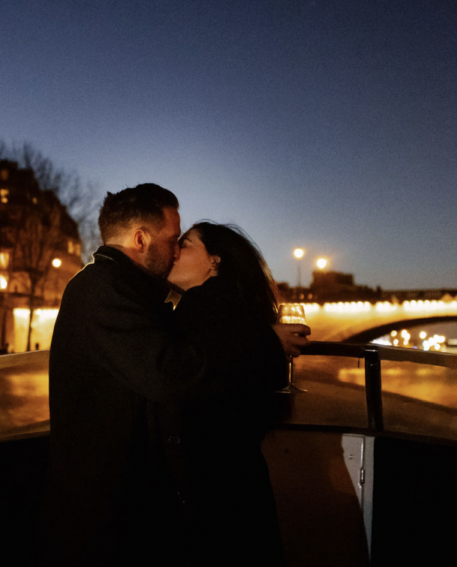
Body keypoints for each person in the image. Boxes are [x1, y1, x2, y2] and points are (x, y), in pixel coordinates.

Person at [43, 184, 308, 565]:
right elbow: (168, 372)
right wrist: (264, 342)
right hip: (105, 507)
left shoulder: (132, 293)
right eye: (172, 240)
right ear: (140, 239)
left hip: (126, 505)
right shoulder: (103, 288)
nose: (174, 251)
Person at [164, 221, 289, 565]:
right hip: (242, 481)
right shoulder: (238, 312)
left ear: (214, 261)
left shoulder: (203, 308)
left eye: (185, 245)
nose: (174, 251)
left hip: (211, 485)